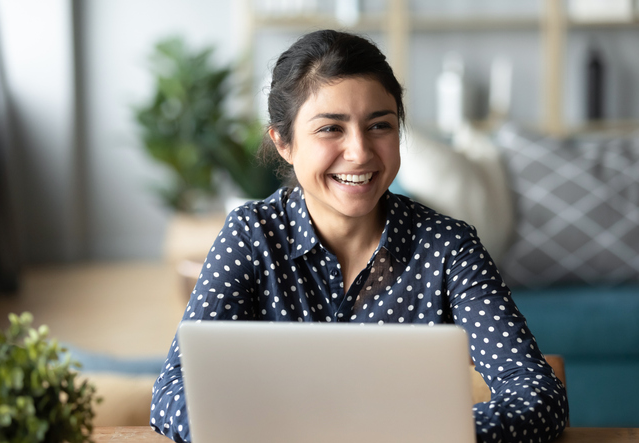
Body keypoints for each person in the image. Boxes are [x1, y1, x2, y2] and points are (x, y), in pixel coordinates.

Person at [150, 29, 568, 443]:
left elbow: (539, 396)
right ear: (284, 142)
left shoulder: (448, 247)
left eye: (379, 126)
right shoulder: (250, 235)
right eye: (331, 129)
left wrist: (427, 434)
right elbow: (172, 392)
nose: (360, 152)